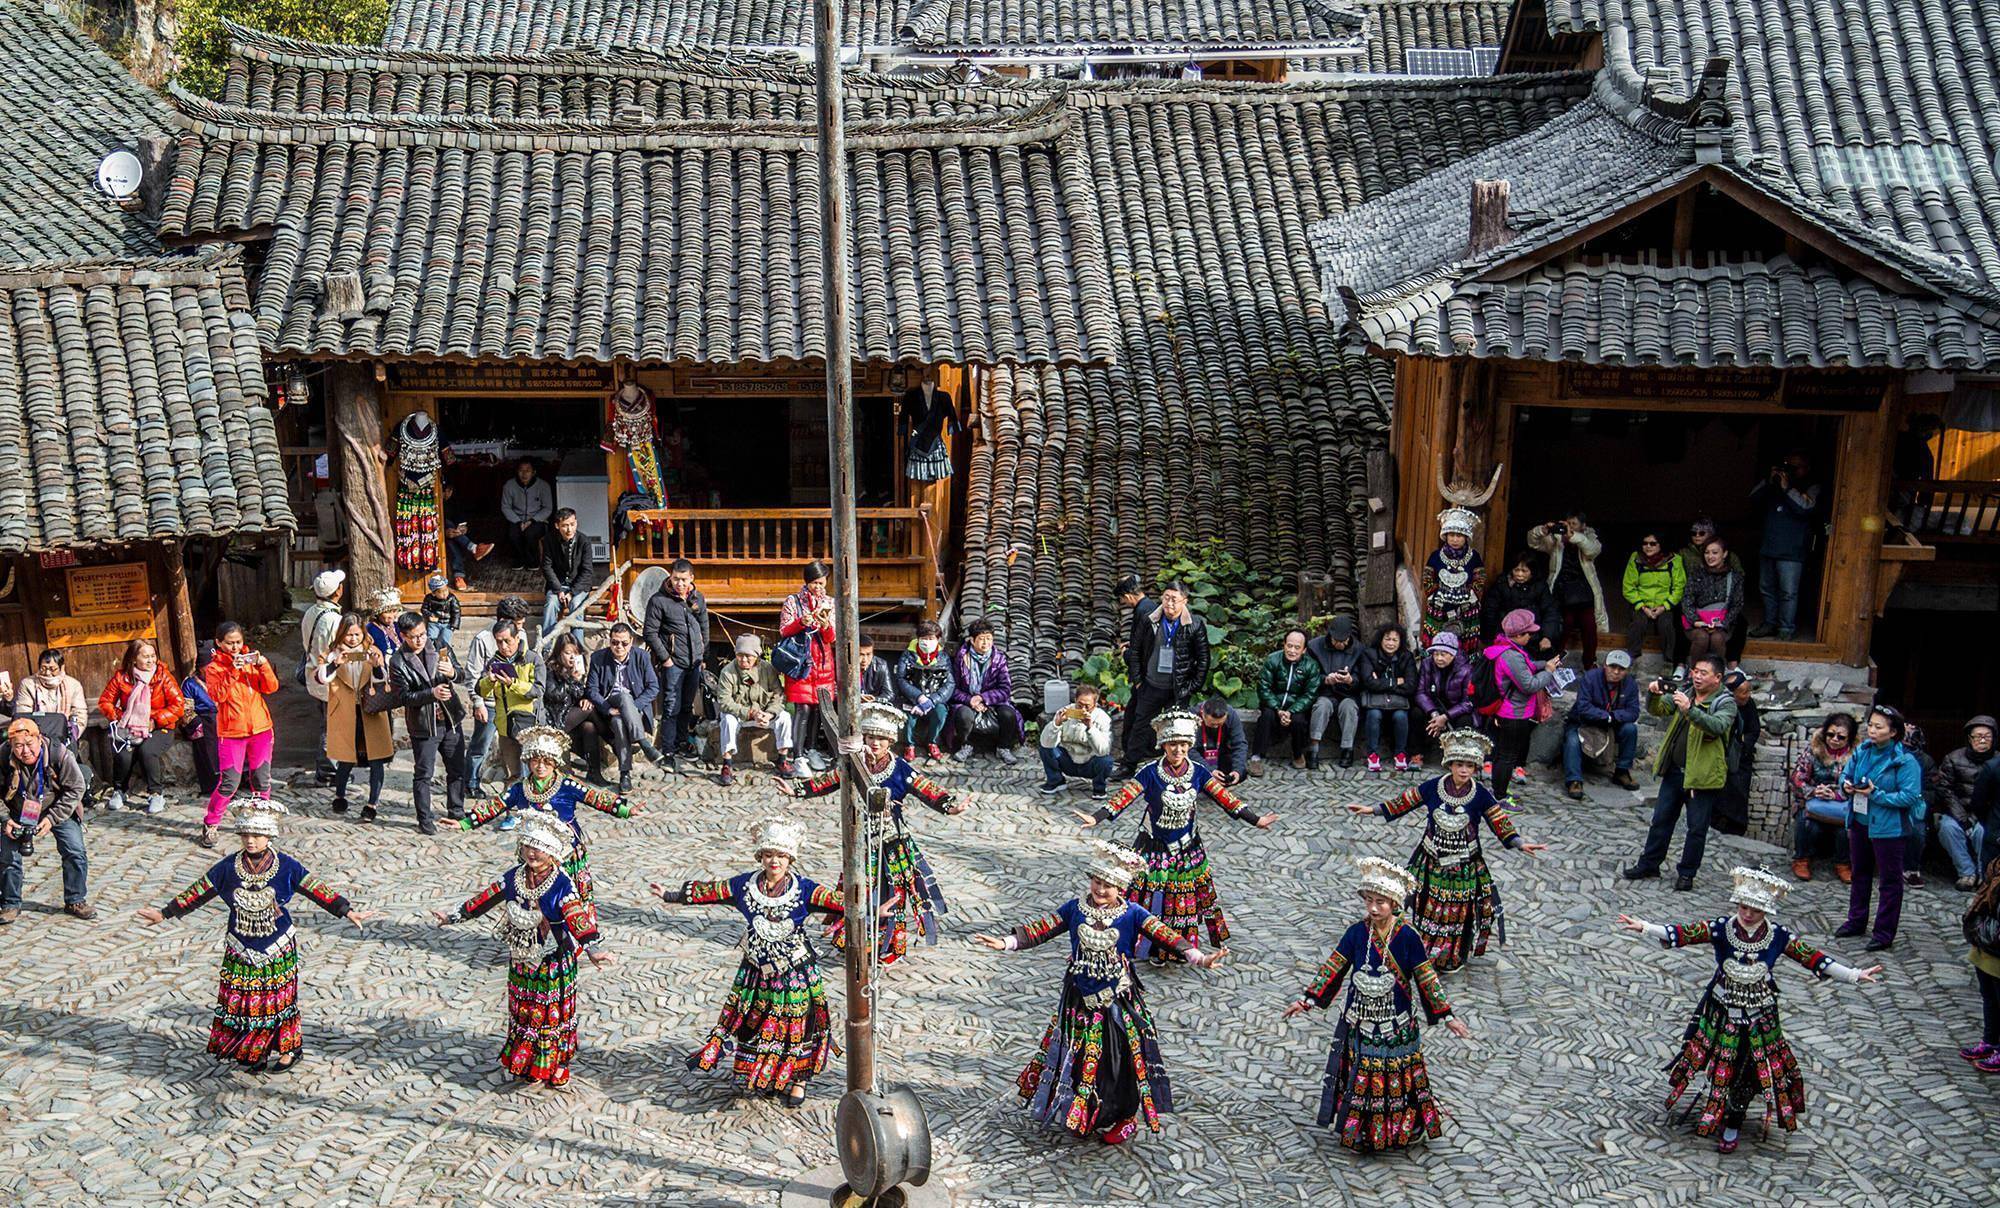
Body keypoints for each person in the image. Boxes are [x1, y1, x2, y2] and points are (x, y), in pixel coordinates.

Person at [974, 841, 1225, 1146]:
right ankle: (1087, 1112)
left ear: (1120, 887)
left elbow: (1166, 935)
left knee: (1117, 1062)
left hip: (1116, 1002)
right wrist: (1007, 942)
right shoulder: (1074, 908)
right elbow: (1043, 928)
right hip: (1078, 999)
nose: (1101, 889)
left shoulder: (1133, 913)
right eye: (1097, 882)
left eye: (1108, 885)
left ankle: (1124, 1117)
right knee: (1078, 1056)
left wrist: (1198, 957)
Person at [1617, 869, 1879, 1152]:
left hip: (1760, 1017)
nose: (1748, 914)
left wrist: (1853, 974)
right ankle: (1717, 1108)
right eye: (1744, 907)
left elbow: (1813, 958)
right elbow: (1685, 933)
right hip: (1722, 1012)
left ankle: (1733, 1121)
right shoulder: (1722, 928)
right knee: (1720, 1062)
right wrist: (1645, 926)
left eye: (1755, 910)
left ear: (1765, 911)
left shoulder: (1778, 937)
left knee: (1750, 1067)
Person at [136, 799, 376, 1071]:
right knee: (247, 1001)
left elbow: (315, 888)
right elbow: (199, 891)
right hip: (240, 945)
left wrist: (346, 910)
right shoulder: (227, 867)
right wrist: (165, 913)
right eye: (246, 835)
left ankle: (290, 1048)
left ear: (269, 835)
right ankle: (255, 1051)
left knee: (279, 998)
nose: (250, 841)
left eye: (257, 835)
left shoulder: (286, 866)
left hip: (278, 944)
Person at [1283, 857, 1472, 1153]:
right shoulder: (1357, 933)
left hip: (1395, 1021)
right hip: (1359, 1018)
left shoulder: (1408, 938)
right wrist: (1307, 999)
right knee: (1363, 1076)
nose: (1373, 908)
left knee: (1396, 1077)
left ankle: (1403, 1128)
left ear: (1395, 904)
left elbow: (1426, 977)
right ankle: (1363, 1130)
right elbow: (1334, 966)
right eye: (1369, 900)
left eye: (1380, 902)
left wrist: (1446, 1015)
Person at [655, 815, 844, 1108]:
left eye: (781, 856)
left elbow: (841, 903)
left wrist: (874, 910)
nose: (774, 862)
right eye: (769, 855)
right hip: (757, 970)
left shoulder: (805, 889)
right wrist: (672, 896)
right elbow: (713, 892)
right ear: (761, 857)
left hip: (793, 970)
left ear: (790, 859)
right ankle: (767, 1073)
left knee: (797, 1023)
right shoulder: (745, 887)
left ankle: (798, 1079)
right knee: (757, 1020)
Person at [1077, 710, 1276, 960]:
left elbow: (1226, 799)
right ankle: (1136, 942)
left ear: (1189, 745)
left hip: (1187, 847)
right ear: (1163, 746)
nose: (1178, 750)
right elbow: (1124, 797)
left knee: (1182, 898)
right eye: (1173, 744)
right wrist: (1097, 817)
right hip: (1153, 845)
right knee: (1147, 895)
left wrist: (1256, 820)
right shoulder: (1150, 772)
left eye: (1183, 745)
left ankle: (1176, 949)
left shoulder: (1199, 772)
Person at [1344, 730, 1547, 973]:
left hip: (1464, 864)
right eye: (1459, 764)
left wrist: (1519, 842)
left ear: (1475, 768)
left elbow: (1499, 821)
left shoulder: (1480, 794)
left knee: (1456, 912)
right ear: (1450, 764)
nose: (1464, 770)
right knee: (1425, 905)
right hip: (1430, 860)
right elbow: (1405, 802)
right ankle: (1420, 953)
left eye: (1470, 766)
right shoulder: (1433, 787)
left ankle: (1448, 957)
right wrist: (1373, 810)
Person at [434, 813, 613, 1088]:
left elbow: (576, 916)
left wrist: (592, 949)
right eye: (528, 846)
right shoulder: (514, 877)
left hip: (553, 960)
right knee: (524, 1011)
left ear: (552, 853)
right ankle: (528, 1061)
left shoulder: (562, 884)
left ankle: (556, 1064)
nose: (532, 852)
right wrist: (454, 917)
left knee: (552, 1013)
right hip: (522, 957)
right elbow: (484, 899)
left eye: (538, 848)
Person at [786, 701, 964, 964]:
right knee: (858, 889)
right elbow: (828, 781)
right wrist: (798, 790)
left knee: (893, 892)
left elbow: (925, 787)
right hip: (859, 841)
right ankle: (854, 939)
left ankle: (889, 942)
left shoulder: (900, 767)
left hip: (892, 842)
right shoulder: (853, 765)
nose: (875, 743)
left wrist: (949, 805)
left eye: (881, 738)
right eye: (871, 737)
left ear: (890, 741)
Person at [461, 726, 635, 906]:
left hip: (566, 853)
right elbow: (495, 806)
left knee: (573, 898)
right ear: (528, 762)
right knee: (531, 898)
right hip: (533, 855)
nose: (540, 766)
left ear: (555, 762)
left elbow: (595, 798)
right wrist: (465, 823)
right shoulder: (520, 789)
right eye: (535, 761)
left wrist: (625, 810)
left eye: (546, 761)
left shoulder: (568, 785)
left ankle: (581, 930)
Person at [1623, 655, 1737, 892]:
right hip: (1675, 772)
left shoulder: (1726, 703)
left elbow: (1717, 726)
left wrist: (1691, 709)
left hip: (1702, 777)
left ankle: (1687, 873)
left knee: (1696, 828)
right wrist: (1654, 694)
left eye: (1703, 672)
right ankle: (1650, 864)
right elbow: (1660, 709)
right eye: (1695, 670)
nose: (1696, 676)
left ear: (1717, 678)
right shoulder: (1686, 691)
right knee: (1661, 820)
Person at [1836, 704, 1924, 951]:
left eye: (1878, 727)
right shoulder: (1863, 750)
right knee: (1860, 873)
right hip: (1860, 821)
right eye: (1870, 725)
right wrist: (1847, 786)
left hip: (1889, 828)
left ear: (1893, 732)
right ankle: (1856, 920)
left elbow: (1909, 796)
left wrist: (1877, 794)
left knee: (1889, 881)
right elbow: (1846, 775)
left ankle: (1884, 932)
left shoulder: (1904, 761)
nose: (1872, 731)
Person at [0, 716, 91, 923]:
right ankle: (9, 903)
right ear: (10, 745)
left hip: (56, 807)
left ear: (39, 739)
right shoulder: (2, 756)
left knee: (75, 849)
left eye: (29, 744)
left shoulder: (60, 754)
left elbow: (76, 788)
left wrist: (52, 819)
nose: (25, 751)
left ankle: (76, 899)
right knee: (7, 855)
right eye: (18, 746)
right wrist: (5, 819)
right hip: (18, 808)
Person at [201, 624, 280, 850]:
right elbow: (218, 696)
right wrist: (233, 671)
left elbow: (271, 687)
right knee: (229, 782)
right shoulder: (214, 668)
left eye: (237, 642)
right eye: (229, 643)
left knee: (262, 779)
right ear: (219, 643)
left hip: (261, 729)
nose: (234, 647)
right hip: (232, 732)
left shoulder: (250, 661)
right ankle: (211, 823)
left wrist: (262, 665)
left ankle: (260, 824)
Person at [388, 611, 468, 832]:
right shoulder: (397, 661)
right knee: (424, 773)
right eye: (414, 636)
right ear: (404, 636)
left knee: (457, 768)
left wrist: (452, 673)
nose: (420, 640)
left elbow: (461, 675)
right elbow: (402, 697)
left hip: (450, 718)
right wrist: (431, 693)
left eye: (422, 634)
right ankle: (425, 819)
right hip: (424, 725)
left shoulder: (440, 645)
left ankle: (457, 811)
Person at [1119, 582, 1209, 775]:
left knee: (1175, 729)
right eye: (1166, 597)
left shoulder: (1194, 624)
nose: (1169, 603)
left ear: (1184, 601)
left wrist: (1191, 687)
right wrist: (1138, 680)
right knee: (1140, 724)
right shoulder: (1149, 620)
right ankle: (1128, 765)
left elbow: (1203, 660)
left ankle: (1175, 769)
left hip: (1177, 687)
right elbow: (1135, 652)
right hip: (1150, 683)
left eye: (1174, 599)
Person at [314, 615, 393, 818]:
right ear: (342, 633)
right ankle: (340, 795)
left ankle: (372, 804)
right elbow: (321, 677)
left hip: (371, 710)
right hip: (344, 711)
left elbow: (383, 680)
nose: (353, 638)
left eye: (357, 634)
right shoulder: (332, 653)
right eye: (349, 634)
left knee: (376, 759)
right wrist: (336, 664)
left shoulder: (372, 651)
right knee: (346, 758)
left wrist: (376, 665)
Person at [98, 638, 186, 815]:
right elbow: (105, 701)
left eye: (153, 656)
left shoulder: (162, 676)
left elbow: (179, 704)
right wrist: (122, 717)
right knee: (124, 753)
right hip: (130, 727)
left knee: (147, 751)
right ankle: (119, 791)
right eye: (145, 657)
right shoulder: (122, 677)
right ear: (133, 659)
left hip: (160, 726)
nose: (150, 660)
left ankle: (156, 793)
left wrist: (155, 720)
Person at [1481, 609, 1561, 802]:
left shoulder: (1506, 648)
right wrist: (1548, 671)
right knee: (1507, 756)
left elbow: (1527, 667)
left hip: (1506, 711)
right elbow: (1529, 685)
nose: (1531, 636)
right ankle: (1500, 796)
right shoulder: (1512, 656)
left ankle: (1498, 791)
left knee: (1502, 754)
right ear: (1517, 635)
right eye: (1528, 633)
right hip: (1513, 714)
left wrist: (1543, 664)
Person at [642, 557, 710, 771]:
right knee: (671, 706)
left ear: (691, 578)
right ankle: (668, 750)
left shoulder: (697, 598)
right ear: (669, 578)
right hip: (673, 662)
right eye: (675, 579)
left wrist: (702, 654)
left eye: (683, 579)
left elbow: (704, 626)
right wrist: (666, 659)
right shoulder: (659, 600)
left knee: (687, 705)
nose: (679, 584)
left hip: (694, 661)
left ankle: (682, 742)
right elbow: (650, 632)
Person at [464, 595, 533, 792]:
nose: (520, 627)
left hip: (515, 701)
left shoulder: (522, 636)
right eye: (518, 623)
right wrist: (477, 702)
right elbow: (472, 673)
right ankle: (471, 782)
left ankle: (521, 786)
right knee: (481, 744)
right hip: (490, 703)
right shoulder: (483, 639)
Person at [1748, 453, 1821, 641]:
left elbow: (1806, 508)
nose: (1791, 471)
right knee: (1766, 588)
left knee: (1788, 592)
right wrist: (1768, 479)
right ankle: (1769, 623)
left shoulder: (1811, 486)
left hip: (1792, 551)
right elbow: (1752, 499)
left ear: (1806, 468)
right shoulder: (1773, 485)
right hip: (1769, 547)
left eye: (1796, 467)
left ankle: (1786, 628)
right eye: (1788, 466)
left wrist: (1788, 489)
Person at [585, 622, 661, 794]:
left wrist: (633, 708)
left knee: (620, 720)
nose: (619, 647)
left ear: (631, 641)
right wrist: (607, 709)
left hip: (635, 707)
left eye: (624, 643)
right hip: (610, 705)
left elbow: (653, 687)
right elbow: (592, 689)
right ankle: (643, 743)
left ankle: (624, 774)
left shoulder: (642, 657)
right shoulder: (598, 658)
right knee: (622, 698)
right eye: (615, 642)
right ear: (609, 641)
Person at [777, 562, 837, 768]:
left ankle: (812, 750)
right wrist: (802, 622)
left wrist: (825, 623)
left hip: (822, 662)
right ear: (806, 582)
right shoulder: (793, 601)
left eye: (821, 583)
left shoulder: (830, 602)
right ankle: (798, 754)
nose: (818, 587)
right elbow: (784, 630)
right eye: (814, 583)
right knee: (802, 708)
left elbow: (831, 637)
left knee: (818, 708)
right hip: (800, 660)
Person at [1528, 513, 1607, 668]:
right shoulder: (1557, 540)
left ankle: (1589, 663)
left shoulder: (1590, 537)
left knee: (1590, 627)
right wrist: (1543, 530)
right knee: (1562, 627)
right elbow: (1533, 542)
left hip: (1584, 594)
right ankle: (1555, 662)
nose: (1569, 527)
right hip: (1561, 592)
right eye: (1567, 523)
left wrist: (1573, 536)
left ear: (1583, 526)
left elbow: (1592, 550)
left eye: (1574, 524)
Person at [714, 634, 795, 785]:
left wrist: (770, 714)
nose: (743, 660)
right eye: (740, 655)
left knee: (784, 717)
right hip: (741, 716)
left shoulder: (768, 669)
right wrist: (749, 713)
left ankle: (782, 760)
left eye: (748, 656)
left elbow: (779, 695)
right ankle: (727, 764)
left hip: (765, 715)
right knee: (727, 719)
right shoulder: (727, 672)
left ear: (756, 656)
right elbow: (724, 701)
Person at [1562, 649, 1642, 799]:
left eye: (1621, 669)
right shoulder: (1590, 678)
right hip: (1583, 722)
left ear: (1627, 671)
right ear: (1605, 665)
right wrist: (1605, 716)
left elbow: (1633, 712)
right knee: (1572, 740)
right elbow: (1583, 707)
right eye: (1613, 667)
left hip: (1613, 724)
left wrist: (1612, 717)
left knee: (1630, 730)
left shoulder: (1630, 684)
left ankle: (1622, 771)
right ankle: (1574, 780)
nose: (1616, 672)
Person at [1789, 713, 1856, 883]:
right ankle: (1801, 859)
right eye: (1830, 734)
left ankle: (1843, 863)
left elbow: (1859, 784)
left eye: (1841, 737)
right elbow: (1797, 778)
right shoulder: (1813, 751)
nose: (1835, 739)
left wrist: (1837, 795)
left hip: (1843, 805)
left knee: (1847, 829)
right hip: (1813, 801)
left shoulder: (1856, 757)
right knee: (1807, 822)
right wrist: (1813, 791)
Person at [476, 619, 543, 789]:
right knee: (513, 774)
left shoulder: (533, 659)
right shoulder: (494, 662)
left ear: (517, 638)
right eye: (499, 642)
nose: (504, 646)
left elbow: (538, 690)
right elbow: (480, 691)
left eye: (508, 641)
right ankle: (513, 809)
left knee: (532, 772)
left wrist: (512, 683)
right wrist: (489, 681)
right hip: (505, 726)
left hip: (528, 725)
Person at [951, 618, 1024, 762]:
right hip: (968, 700)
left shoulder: (998, 659)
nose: (986, 643)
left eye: (989, 639)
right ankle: (966, 745)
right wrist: (970, 700)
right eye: (981, 639)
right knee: (963, 714)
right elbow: (953, 688)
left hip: (994, 701)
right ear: (972, 640)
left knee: (1008, 714)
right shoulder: (961, 658)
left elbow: (1005, 689)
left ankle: (1004, 747)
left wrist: (984, 698)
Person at [299, 568, 346, 785]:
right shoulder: (334, 620)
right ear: (338, 592)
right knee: (333, 725)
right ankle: (329, 770)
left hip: (314, 675)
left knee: (326, 722)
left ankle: (327, 767)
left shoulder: (310, 613)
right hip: (329, 676)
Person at [1938, 716, 1996, 890]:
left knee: (1982, 833)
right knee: (1948, 829)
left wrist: (1982, 815)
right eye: (1977, 736)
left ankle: (1983, 874)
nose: (1982, 740)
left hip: (1986, 813)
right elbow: (1945, 790)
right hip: (1958, 810)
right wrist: (1962, 818)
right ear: (1969, 739)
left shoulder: (1998, 761)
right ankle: (1966, 873)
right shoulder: (1953, 758)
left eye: (1987, 736)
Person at [1419, 506, 1485, 647]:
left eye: (1459, 535)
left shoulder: (1474, 557)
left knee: (1464, 644)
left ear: (1466, 537)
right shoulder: (1436, 556)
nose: (1455, 539)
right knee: (1437, 643)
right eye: (1451, 535)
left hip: (1466, 609)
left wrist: (1470, 596)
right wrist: (1435, 595)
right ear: (1446, 536)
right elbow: (1427, 578)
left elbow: (1479, 580)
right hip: (1439, 608)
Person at [1253, 628, 1318, 772]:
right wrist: (1278, 709)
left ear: (1304, 650)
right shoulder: (1273, 660)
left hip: (1296, 707)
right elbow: (1264, 687)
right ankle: (1256, 757)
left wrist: (1290, 711)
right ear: (1284, 645)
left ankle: (1298, 754)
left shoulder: (1311, 666)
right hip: (1273, 705)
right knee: (1266, 716)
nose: (1292, 651)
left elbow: (1310, 694)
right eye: (1289, 646)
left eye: (1297, 647)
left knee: (1299, 721)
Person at [1305, 615, 1365, 770]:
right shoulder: (1314, 647)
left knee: (1349, 708)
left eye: (1343, 641)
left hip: (1348, 694)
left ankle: (1347, 749)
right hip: (1324, 692)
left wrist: (1351, 680)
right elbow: (1307, 675)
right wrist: (1326, 679)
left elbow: (1363, 678)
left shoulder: (1359, 649)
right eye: (1336, 641)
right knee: (1321, 706)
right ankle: (1313, 748)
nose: (1340, 644)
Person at [541, 632, 602, 783]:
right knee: (590, 711)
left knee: (589, 726)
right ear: (559, 652)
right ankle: (613, 739)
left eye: (575, 653)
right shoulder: (550, 668)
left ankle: (595, 773)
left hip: (571, 719)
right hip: (555, 720)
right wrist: (571, 680)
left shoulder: (577, 668)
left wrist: (584, 695)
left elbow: (578, 696)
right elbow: (554, 696)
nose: (571, 657)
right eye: (567, 653)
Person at [892, 620, 955, 762]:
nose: (927, 642)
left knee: (940, 714)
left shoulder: (943, 658)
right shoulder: (908, 655)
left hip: (934, 698)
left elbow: (950, 683)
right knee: (908, 717)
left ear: (938, 640)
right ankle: (909, 744)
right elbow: (901, 679)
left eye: (931, 639)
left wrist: (932, 700)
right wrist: (918, 697)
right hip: (911, 698)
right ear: (918, 639)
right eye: (924, 639)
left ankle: (932, 742)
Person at [1479, 551, 1561, 660]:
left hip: (1534, 638)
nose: (1519, 574)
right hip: (1507, 636)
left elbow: (1550, 612)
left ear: (1532, 572)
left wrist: (1547, 637)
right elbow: (1490, 611)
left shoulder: (1540, 586)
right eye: (1516, 570)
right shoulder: (1502, 584)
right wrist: (1494, 638)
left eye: (1524, 571)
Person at [1359, 623, 1418, 773]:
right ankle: (1372, 754)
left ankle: (1400, 754)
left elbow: (1411, 685)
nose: (1391, 643)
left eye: (1395, 640)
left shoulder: (1406, 656)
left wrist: (1381, 682)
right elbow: (1369, 682)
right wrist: (1396, 681)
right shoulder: (1369, 654)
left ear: (1400, 641)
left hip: (1398, 703)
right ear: (1381, 639)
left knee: (1401, 716)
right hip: (1376, 702)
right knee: (1373, 714)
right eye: (1387, 639)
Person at [1039, 682, 1115, 798]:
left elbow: (1103, 750)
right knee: (1046, 748)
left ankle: (1099, 786)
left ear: (1095, 705)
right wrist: (1057, 724)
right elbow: (1046, 743)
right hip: (1068, 760)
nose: (1083, 710)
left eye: (1087, 706)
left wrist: (1090, 728)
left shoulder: (1103, 718)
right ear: (1075, 700)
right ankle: (1056, 780)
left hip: (1090, 763)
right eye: (1079, 705)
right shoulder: (1065, 712)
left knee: (1106, 760)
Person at [1622, 532, 1685, 666]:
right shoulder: (1636, 558)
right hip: (1642, 603)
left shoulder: (1674, 560)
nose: (1648, 547)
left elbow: (1679, 587)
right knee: (1637, 625)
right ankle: (1632, 660)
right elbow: (1628, 587)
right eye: (1645, 543)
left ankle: (1668, 661)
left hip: (1664, 604)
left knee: (1667, 625)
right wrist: (1643, 607)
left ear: (1661, 545)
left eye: (1652, 543)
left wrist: (1664, 606)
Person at [1961, 859, 2000, 1073]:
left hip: (1996, 942)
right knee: (1989, 994)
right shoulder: (1995, 864)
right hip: (1986, 938)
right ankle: (1990, 1041)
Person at [1681, 538, 1745, 667]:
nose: (1710, 557)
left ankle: (1717, 674)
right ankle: (1695, 673)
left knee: (1717, 638)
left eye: (1715, 553)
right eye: (1707, 553)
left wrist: (1723, 623)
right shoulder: (1696, 574)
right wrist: (1696, 621)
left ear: (1724, 554)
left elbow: (1737, 604)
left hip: (1722, 622)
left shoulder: (1734, 576)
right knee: (1702, 638)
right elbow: (1687, 600)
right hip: (1698, 621)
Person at [1717, 669, 1763, 836]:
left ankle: (1735, 826)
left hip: (1740, 757)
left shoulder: (1748, 705)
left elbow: (1753, 730)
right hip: (1719, 755)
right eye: (1743, 692)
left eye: (1748, 691)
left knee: (1738, 789)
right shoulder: (1721, 705)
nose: (1747, 695)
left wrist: (1742, 744)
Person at [540, 507, 595, 641]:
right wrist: (558, 590)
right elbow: (547, 567)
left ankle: (578, 648)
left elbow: (587, 571)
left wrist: (572, 592)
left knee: (576, 606)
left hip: (579, 586)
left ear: (576, 523)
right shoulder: (549, 540)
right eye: (565, 526)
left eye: (572, 524)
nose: (569, 529)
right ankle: (546, 646)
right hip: (558, 585)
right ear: (557, 526)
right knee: (550, 605)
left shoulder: (584, 541)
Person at [1414, 631, 1475, 750]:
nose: (1438, 658)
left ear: (1453, 654)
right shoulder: (1427, 664)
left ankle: (1458, 755)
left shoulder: (1466, 669)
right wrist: (1434, 713)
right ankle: (1416, 754)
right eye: (1435, 654)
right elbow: (1420, 692)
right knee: (1416, 713)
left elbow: (1468, 702)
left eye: (1443, 654)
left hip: (1455, 709)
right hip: (1434, 707)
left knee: (1465, 720)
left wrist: (1446, 716)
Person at [14, 647, 86, 747]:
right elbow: (23, 714)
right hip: (35, 737)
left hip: (65, 735)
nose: (47, 673)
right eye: (43, 668)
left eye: (53, 669)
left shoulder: (73, 685)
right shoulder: (28, 684)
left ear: (62, 668)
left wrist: (72, 735)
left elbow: (79, 714)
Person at [901, 369, 964, 483]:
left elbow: (952, 414)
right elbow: (903, 415)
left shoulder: (944, 397)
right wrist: (902, 429)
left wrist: (953, 427)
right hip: (918, 440)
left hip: (936, 440)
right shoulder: (910, 396)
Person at [180, 644, 221, 798]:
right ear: (200, 667)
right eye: (208, 666)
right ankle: (213, 783)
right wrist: (196, 723)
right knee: (206, 740)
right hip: (203, 721)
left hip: (225, 717)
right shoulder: (190, 684)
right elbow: (186, 710)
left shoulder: (223, 677)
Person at [502, 458, 554, 569]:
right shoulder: (509, 485)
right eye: (521, 470)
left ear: (534, 472)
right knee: (513, 534)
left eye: (528, 470)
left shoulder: (543, 486)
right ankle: (519, 559)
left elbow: (548, 508)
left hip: (537, 519)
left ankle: (532, 561)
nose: (524, 474)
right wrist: (518, 521)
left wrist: (532, 520)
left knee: (530, 534)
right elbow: (505, 507)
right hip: (516, 518)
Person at [1196, 698, 1249, 785]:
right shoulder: (1192, 715)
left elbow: (1240, 743)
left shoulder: (1231, 714)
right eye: (1212, 724)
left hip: (1221, 752)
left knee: (1240, 773)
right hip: (1199, 755)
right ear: (1203, 714)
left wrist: (1237, 770)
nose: (1216, 727)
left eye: (1219, 724)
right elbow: (1190, 750)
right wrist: (1209, 770)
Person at [421, 574, 461, 651]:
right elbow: (424, 609)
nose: (444, 593)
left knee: (445, 639)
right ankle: (430, 650)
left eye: (446, 590)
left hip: (447, 623)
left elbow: (456, 612)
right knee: (431, 636)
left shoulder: (452, 598)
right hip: (434, 622)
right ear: (434, 593)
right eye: (441, 592)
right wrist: (430, 615)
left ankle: (443, 652)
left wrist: (454, 625)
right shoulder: (429, 598)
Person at [363, 588, 402, 657]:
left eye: (395, 611)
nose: (391, 616)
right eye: (387, 612)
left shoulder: (398, 626)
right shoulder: (370, 630)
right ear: (378, 613)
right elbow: (361, 655)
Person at [857, 633, 894, 702]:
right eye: (861, 654)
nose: (865, 659)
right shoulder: (844, 666)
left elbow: (889, 694)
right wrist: (856, 697)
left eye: (868, 654)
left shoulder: (881, 665)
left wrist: (875, 699)